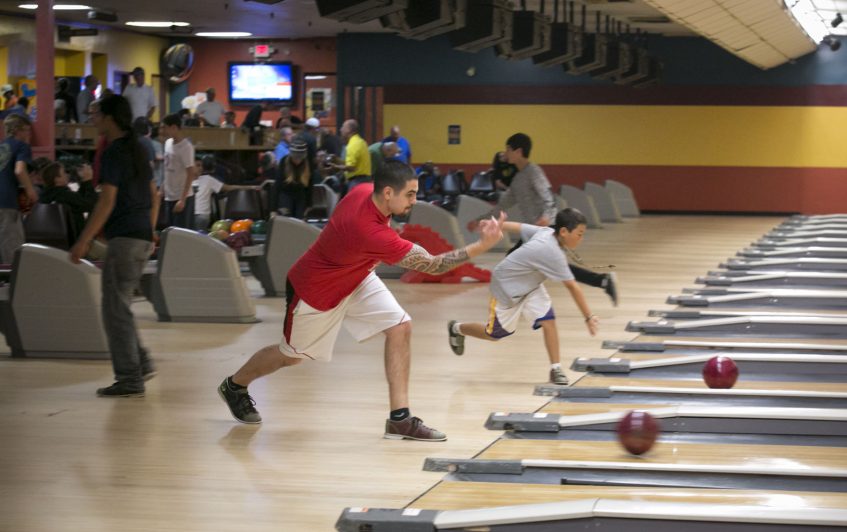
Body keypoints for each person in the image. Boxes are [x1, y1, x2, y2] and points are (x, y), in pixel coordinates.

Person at [217, 160, 505, 441]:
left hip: (356, 276)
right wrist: (482, 245)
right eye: (410, 194)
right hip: (316, 291)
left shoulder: (366, 191)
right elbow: (433, 265)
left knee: (400, 326)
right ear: (388, 193)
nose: (415, 200)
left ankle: (400, 420)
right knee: (291, 356)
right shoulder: (369, 231)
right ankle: (235, 385)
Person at [69, 94, 159, 397]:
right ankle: (141, 363)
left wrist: (84, 240)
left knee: (114, 310)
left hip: (125, 240)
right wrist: (151, 228)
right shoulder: (138, 149)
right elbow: (154, 195)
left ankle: (129, 378)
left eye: (95, 114)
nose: (92, 119)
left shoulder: (113, 152)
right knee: (120, 307)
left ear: (109, 117)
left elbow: (107, 201)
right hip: (141, 237)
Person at [448, 208, 599, 385]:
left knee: (548, 320)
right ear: (564, 232)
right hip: (506, 288)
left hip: (531, 285)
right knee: (494, 334)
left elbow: (518, 227)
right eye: (580, 234)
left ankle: (555, 369)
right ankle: (457, 328)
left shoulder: (547, 232)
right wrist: (588, 317)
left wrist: (498, 224)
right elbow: (573, 287)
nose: (581, 238)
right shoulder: (552, 251)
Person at [494, 133, 618, 305]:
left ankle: (518, 299)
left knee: (525, 262)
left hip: (545, 229)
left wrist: (546, 216)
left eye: (508, 149)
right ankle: (602, 281)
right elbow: (503, 204)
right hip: (532, 232)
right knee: (536, 264)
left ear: (518, 151)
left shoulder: (533, 172)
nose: (505, 152)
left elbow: (549, 197)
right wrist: (481, 220)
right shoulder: (518, 178)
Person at [0, 114, 37, 263]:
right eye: (27, 130)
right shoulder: (22, 146)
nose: (29, 134)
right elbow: (20, 170)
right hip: (7, 203)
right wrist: (31, 191)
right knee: (13, 256)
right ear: (16, 130)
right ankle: (13, 285)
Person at [193, 155, 257, 230]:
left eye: (201, 166)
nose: (201, 168)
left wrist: (251, 187)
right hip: (189, 214)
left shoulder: (208, 179)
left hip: (202, 215)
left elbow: (229, 187)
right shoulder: (183, 180)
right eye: (197, 165)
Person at [39, 161, 98, 237]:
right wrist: (88, 180)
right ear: (57, 179)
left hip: (55, 239)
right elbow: (91, 204)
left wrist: (84, 182)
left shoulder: (46, 196)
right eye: (64, 173)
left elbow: (79, 201)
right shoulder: (63, 195)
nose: (67, 175)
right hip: (73, 242)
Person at [161, 113, 197, 228]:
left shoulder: (186, 147)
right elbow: (168, 167)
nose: (162, 130)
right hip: (169, 195)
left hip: (181, 197)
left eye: (165, 127)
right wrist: (162, 188)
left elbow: (191, 173)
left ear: (174, 128)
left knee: (181, 235)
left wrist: (182, 200)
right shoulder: (167, 143)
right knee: (170, 231)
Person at [271, 140, 311, 218]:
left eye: (300, 158)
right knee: (286, 220)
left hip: (300, 196)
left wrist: (309, 205)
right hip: (285, 195)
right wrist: (273, 209)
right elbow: (277, 186)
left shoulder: (308, 163)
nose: (297, 161)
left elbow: (309, 187)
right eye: (295, 158)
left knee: (299, 221)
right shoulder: (284, 162)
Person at [331, 119, 370, 192]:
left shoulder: (353, 145)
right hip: (363, 179)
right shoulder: (360, 141)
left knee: (354, 202)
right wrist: (337, 160)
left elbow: (351, 167)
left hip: (357, 181)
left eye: (343, 127)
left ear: (349, 130)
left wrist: (336, 167)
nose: (340, 129)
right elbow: (352, 162)